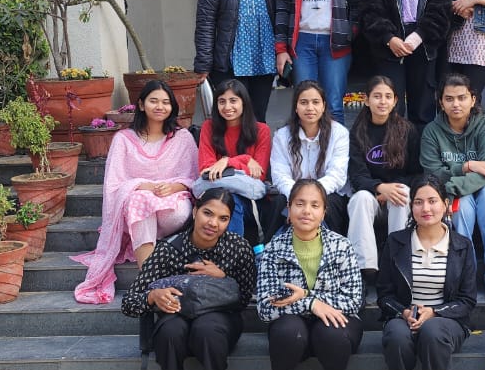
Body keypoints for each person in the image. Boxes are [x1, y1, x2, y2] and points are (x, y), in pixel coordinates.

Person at [120, 189, 256, 370]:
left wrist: (222, 277)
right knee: (171, 329)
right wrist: (153, 296)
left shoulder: (238, 248)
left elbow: (244, 298)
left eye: (223, 218)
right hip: (177, 314)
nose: (213, 223)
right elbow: (129, 302)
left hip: (220, 319)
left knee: (207, 329)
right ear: (194, 211)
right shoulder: (168, 249)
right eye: (207, 213)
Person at [73, 81, 198, 304]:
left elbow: (194, 178)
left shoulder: (182, 137)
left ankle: (149, 273)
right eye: (153, 101)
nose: (160, 106)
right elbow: (114, 184)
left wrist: (173, 187)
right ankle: (150, 279)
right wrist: (143, 186)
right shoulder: (124, 139)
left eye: (166, 102)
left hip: (173, 206)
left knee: (154, 206)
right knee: (140, 201)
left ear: (172, 107)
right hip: (137, 210)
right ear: (141, 104)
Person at [255, 178, 364, 370]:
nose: (306, 211)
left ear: (324, 212)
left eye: (315, 205)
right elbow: (265, 307)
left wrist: (307, 296)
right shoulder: (274, 248)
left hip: (336, 327)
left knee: (331, 331)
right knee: (287, 330)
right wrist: (310, 304)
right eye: (300, 204)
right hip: (294, 327)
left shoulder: (341, 245)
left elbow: (353, 300)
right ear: (289, 208)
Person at [376, 175, 477, 370]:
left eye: (433, 201)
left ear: (445, 204)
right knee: (396, 335)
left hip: (447, 320)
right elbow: (384, 295)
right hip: (404, 315)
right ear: (411, 207)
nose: (426, 208)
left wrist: (434, 312)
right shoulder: (396, 242)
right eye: (418, 202)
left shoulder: (462, 246)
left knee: (432, 332)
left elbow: (467, 300)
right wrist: (404, 312)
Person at [420, 73, 485, 301]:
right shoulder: (432, 131)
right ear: (441, 102)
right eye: (449, 99)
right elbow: (432, 172)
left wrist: (453, 184)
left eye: (462, 98)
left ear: (473, 99)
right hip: (458, 191)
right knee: (463, 207)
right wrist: (467, 166)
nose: (456, 104)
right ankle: (464, 278)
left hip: (483, 188)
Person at [193, 0, 280, 122]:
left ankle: (256, 145)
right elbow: (205, 22)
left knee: (258, 118)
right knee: (232, 118)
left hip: (264, 59)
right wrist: (203, 64)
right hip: (230, 62)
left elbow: (282, 17)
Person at [347, 76, 422, 281]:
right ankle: (364, 268)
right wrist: (379, 188)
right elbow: (357, 175)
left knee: (402, 193)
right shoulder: (357, 132)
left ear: (395, 101)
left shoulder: (407, 130)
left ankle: (397, 263)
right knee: (360, 198)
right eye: (377, 96)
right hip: (371, 196)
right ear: (366, 100)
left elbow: (416, 173)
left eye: (388, 97)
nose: (383, 101)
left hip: (397, 197)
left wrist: (390, 190)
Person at [194, 79, 272, 240]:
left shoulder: (261, 130)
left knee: (231, 202)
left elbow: (259, 174)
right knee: (223, 202)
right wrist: (245, 160)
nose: (227, 107)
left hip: (248, 199)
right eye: (222, 101)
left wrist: (226, 162)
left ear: (244, 102)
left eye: (233, 101)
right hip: (214, 194)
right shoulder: (209, 127)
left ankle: (231, 251)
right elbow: (206, 169)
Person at [270, 80, 349, 235]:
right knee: (279, 202)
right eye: (304, 102)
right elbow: (280, 175)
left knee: (329, 204)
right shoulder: (282, 136)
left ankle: (331, 246)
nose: (310, 108)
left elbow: (337, 176)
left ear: (323, 106)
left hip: (327, 193)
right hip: (291, 194)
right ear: (296, 107)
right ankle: (271, 246)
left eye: (315, 102)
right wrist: (298, 199)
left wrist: (310, 197)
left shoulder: (339, 133)